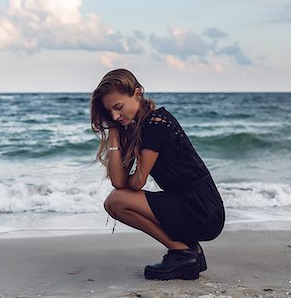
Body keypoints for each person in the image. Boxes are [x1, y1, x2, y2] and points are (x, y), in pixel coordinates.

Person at [90, 68, 225, 280]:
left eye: (118, 107)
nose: (115, 116)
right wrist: (115, 136)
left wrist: (131, 178)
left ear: (137, 93)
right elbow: (118, 181)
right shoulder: (140, 125)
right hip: (189, 203)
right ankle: (187, 251)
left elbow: (135, 183)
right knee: (113, 202)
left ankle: (183, 252)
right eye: (110, 113)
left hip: (202, 209)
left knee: (116, 201)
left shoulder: (155, 124)